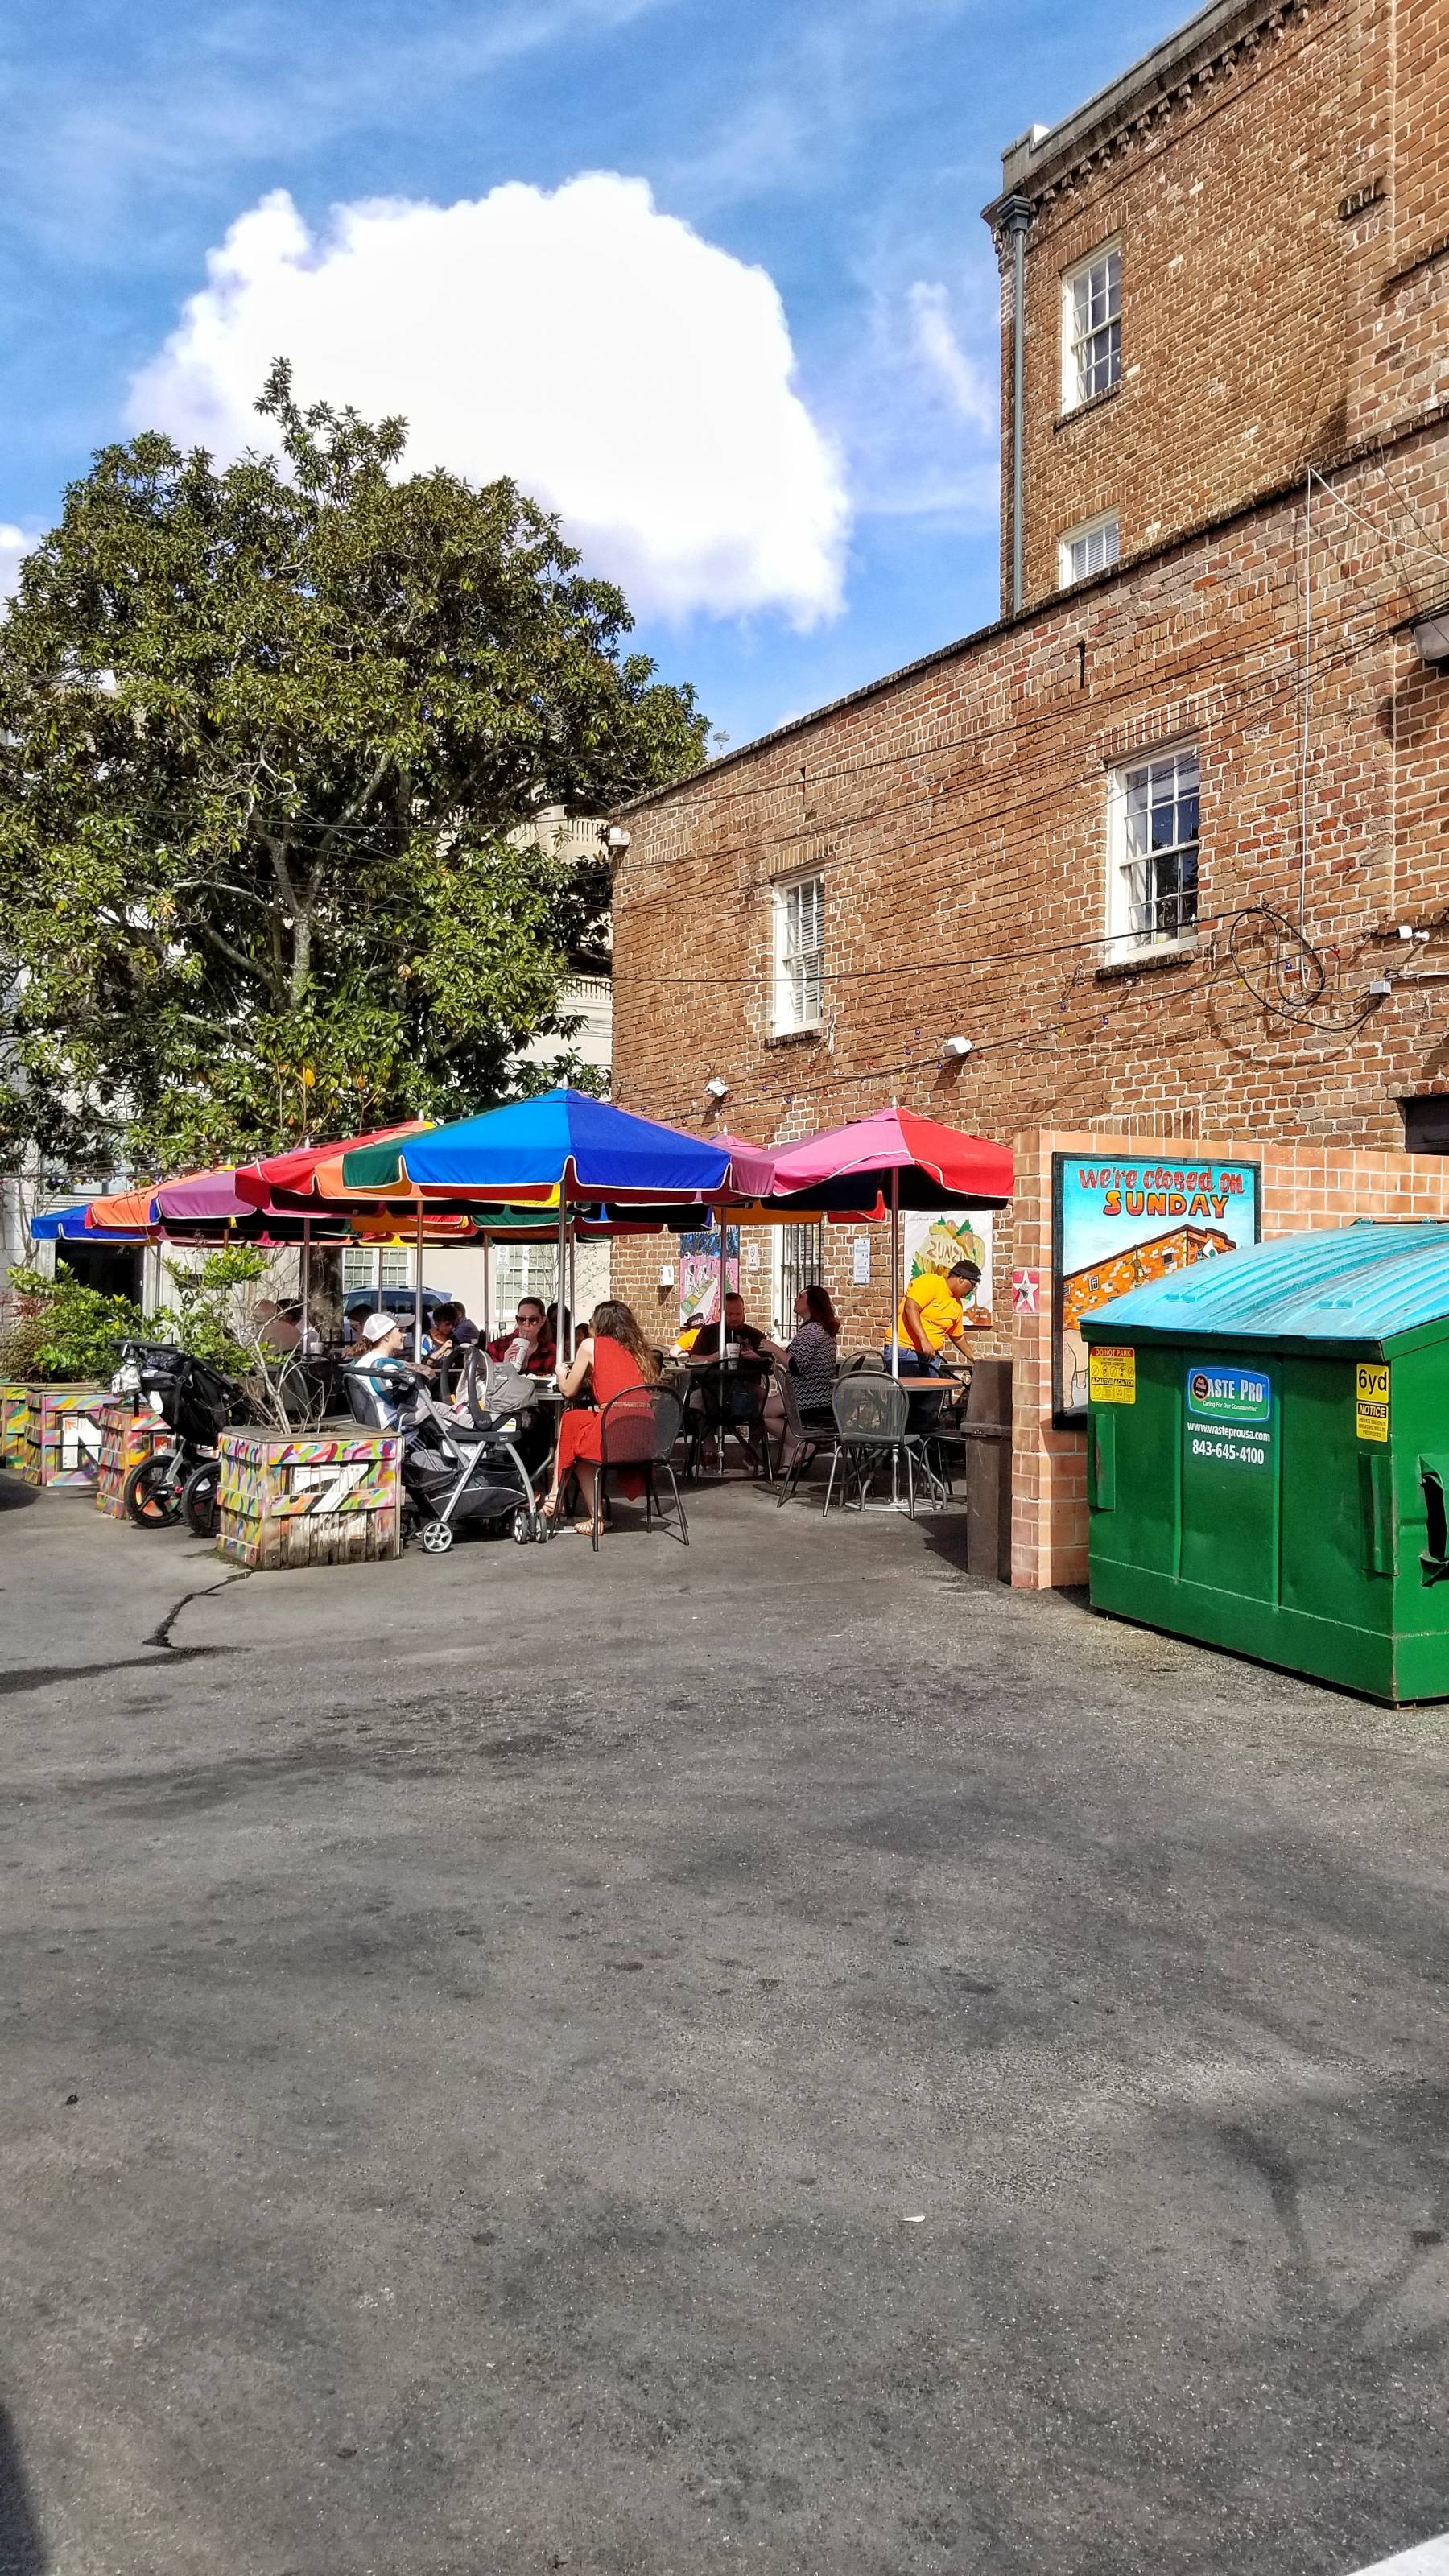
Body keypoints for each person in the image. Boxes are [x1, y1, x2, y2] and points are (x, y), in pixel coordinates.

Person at [543, 1298, 658, 1532]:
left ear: (599, 1324)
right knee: (575, 1420)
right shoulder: (637, 1351)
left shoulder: (590, 1346)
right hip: (644, 1431)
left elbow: (568, 1391)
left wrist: (561, 1373)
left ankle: (568, 1502)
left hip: (615, 1429)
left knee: (576, 1436)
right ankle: (559, 1498)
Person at [761, 1283, 839, 1422]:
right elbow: (793, 1357)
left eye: (801, 1297)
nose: (796, 1299)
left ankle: (802, 1438)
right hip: (821, 1396)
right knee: (764, 1406)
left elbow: (796, 1367)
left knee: (762, 1412)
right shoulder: (821, 1328)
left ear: (812, 1303)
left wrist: (773, 1348)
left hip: (807, 1397)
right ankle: (797, 1438)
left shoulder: (811, 1331)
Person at [892, 1259, 980, 1375]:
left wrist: (973, 1357)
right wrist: (924, 1340)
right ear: (961, 1279)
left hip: (929, 1357)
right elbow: (911, 1307)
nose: (972, 1290)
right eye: (973, 1285)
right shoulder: (932, 1282)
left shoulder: (957, 1304)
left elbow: (957, 1337)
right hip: (905, 1350)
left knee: (940, 1386)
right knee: (915, 1386)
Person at [488, 1296, 555, 1377]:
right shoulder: (498, 1346)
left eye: (533, 1320)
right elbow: (488, 1378)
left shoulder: (550, 1350)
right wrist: (504, 1365)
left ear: (542, 1321)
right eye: (522, 1319)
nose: (527, 1324)